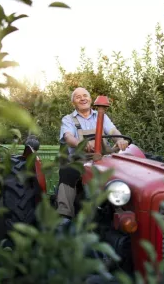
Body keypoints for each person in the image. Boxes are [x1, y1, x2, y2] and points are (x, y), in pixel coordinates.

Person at [57, 87, 129, 224]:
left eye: (85, 95)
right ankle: (64, 216)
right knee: (67, 172)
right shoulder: (69, 119)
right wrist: (81, 144)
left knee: (125, 172)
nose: (82, 98)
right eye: (78, 97)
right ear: (73, 102)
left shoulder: (101, 116)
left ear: (90, 99)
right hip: (81, 159)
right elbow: (68, 137)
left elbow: (112, 130)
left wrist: (120, 140)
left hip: (104, 158)